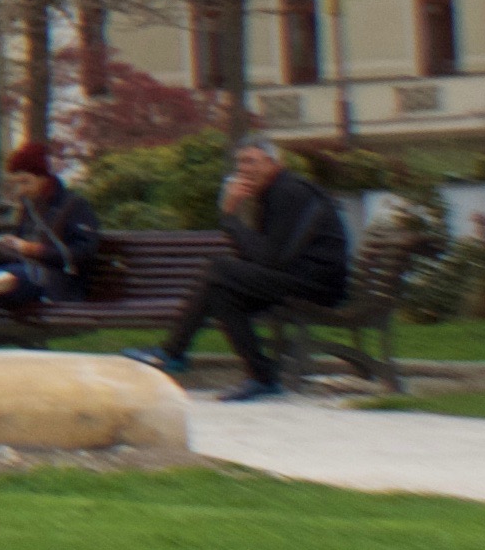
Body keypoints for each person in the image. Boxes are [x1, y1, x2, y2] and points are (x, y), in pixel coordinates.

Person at [137, 137, 350, 402]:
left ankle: (172, 353)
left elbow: (271, 259)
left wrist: (230, 216)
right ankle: (262, 377)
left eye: (252, 161)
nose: (244, 169)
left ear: (274, 163)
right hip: (299, 277)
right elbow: (262, 257)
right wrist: (237, 220)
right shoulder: (272, 194)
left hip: (319, 285)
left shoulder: (288, 192)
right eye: (240, 163)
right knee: (221, 293)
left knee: (218, 268)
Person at [0, 145, 102, 345]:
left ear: (44, 176)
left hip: (50, 281)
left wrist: (33, 250)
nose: (22, 189)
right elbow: (19, 248)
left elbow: (83, 254)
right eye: (18, 183)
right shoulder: (29, 206)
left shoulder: (74, 205)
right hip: (15, 273)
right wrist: (3, 247)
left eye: (26, 182)